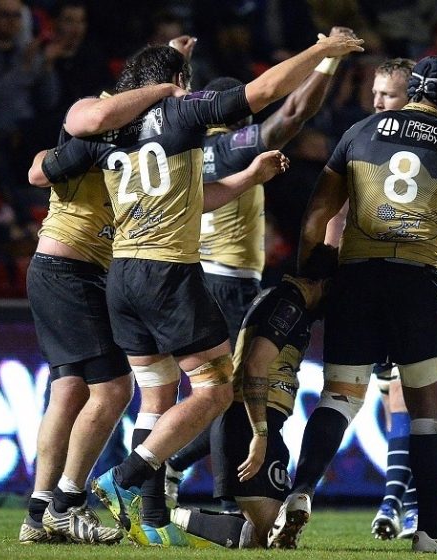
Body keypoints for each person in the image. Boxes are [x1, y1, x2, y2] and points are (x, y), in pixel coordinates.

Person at [31, 34, 363, 547]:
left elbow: (51, 162)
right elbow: (264, 92)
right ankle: (120, 482)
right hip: (169, 275)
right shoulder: (182, 114)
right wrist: (321, 55)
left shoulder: (109, 129)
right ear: (178, 85)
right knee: (215, 390)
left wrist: (249, 176)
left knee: (156, 392)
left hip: (120, 278)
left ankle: (149, 516)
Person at [270, 55, 437, 553]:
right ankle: (428, 531)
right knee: (429, 415)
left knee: (340, 399)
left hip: (357, 279)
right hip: (417, 284)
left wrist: (309, 274)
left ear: (414, 91)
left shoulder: (360, 131)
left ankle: (301, 491)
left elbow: (319, 211)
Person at [163, 26, 357, 509]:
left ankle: (166, 469)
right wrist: (328, 59)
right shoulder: (232, 148)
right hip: (228, 284)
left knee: (205, 391)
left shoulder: (181, 142)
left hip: (187, 274)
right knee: (228, 394)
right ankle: (198, 483)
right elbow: (293, 111)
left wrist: (175, 61)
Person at [18, 84, 184, 545]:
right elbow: (41, 167)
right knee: (113, 388)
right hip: (69, 267)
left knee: (69, 391)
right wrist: (168, 85)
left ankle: (38, 513)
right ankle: (67, 505)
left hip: (73, 269)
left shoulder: (140, 140)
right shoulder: (101, 120)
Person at [167, 245, 338, 548]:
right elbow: (255, 364)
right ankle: (164, 518)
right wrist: (259, 434)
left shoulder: (280, 297)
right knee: (265, 534)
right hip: (247, 424)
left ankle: (166, 514)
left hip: (247, 421)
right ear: (325, 283)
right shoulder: (290, 305)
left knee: (264, 534)